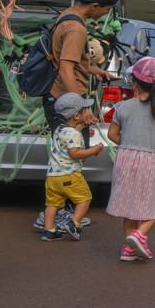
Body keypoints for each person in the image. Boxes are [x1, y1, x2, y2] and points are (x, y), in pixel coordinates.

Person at [105, 57, 155, 262]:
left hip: (125, 158)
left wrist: (128, 142)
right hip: (151, 160)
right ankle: (139, 234)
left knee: (129, 205)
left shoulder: (123, 107)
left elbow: (112, 135)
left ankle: (128, 248)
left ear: (135, 83)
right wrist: (153, 144)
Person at [43, 0, 120, 132]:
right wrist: (80, 109)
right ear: (95, 6)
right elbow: (66, 70)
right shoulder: (76, 29)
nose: (106, 14)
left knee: (67, 152)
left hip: (63, 98)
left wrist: (94, 70)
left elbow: (65, 57)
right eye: (107, 9)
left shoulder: (68, 15)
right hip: (66, 101)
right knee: (72, 153)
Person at [40, 93, 104, 241]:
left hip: (52, 176)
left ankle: (49, 230)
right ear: (76, 115)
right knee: (85, 199)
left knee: (53, 204)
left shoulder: (59, 129)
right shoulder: (74, 134)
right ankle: (74, 224)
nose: (87, 112)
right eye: (84, 110)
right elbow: (75, 154)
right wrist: (94, 149)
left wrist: (82, 125)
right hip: (69, 175)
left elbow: (70, 137)